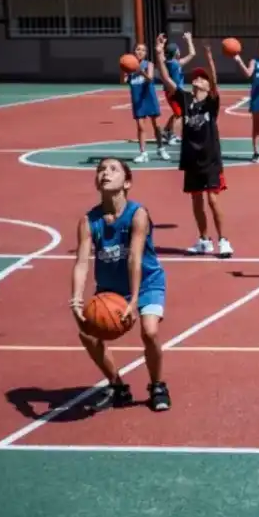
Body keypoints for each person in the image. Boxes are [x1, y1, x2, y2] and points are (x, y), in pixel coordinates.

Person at [71, 156, 170, 412]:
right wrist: (76, 299)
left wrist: (135, 300)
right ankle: (117, 386)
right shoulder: (88, 221)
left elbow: (135, 258)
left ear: (127, 183)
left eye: (113, 169)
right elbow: (82, 263)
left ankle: (157, 385)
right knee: (86, 332)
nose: (106, 173)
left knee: (149, 331)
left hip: (146, 282)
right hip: (110, 289)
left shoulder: (138, 214)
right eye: (101, 169)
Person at [156, 36, 233, 257]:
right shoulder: (186, 99)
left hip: (210, 159)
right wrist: (160, 53)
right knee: (196, 200)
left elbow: (216, 82)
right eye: (196, 77)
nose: (197, 79)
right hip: (191, 159)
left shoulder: (211, 102)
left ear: (207, 86)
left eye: (202, 78)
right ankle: (203, 240)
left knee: (212, 198)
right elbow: (167, 78)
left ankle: (224, 240)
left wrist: (209, 57)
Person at [126, 40, 165, 162]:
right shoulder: (129, 67)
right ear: (134, 52)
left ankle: (161, 148)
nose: (140, 52)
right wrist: (124, 68)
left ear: (146, 53)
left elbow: (150, 78)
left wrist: (140, 71)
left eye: (143, 50)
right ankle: (143, 153)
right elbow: (124, 81)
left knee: (156, 125)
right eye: (138, 49)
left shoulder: (149, 64)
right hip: (138, 100)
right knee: (141, 127)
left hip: (149, 98)